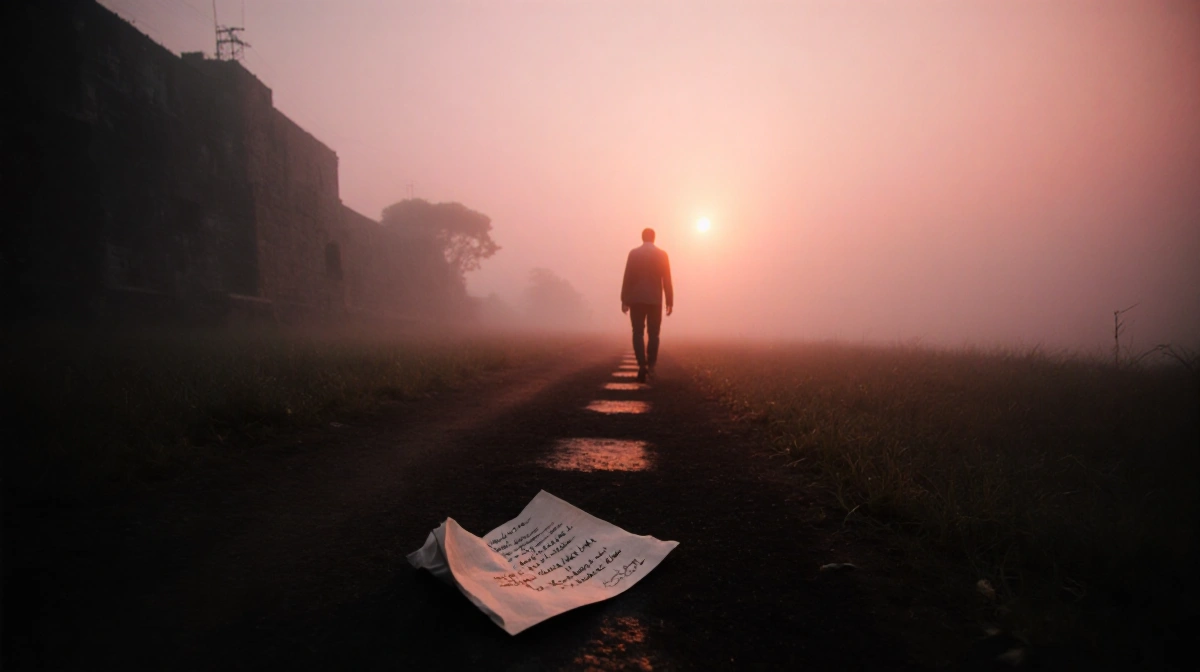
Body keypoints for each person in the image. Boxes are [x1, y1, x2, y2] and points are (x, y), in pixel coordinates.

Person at [621, 227, 673, 382]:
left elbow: (627, 277)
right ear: (654, 238)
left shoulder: (634, 254)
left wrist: (624, 299)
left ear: (642, 237)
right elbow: (667, 280)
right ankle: (651, 365)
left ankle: (641, 364)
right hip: (654, 300)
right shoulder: (662, 254)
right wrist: (669, 301)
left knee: (637, 332)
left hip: (636, 299)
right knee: (654, 333)